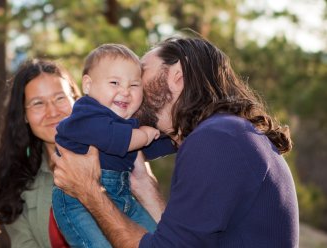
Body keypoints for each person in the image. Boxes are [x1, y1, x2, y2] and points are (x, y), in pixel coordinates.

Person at [52, 36, 299, 248]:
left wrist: (89, 191)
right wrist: (145, 186)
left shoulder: (217, 139)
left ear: (177, 76)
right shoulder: (227, 134)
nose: (131, 84)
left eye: (141, 71)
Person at [52, 43, 176, 248]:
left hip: (122, 196)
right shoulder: (85, 113)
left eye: (134, 85)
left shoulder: (127, 124)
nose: (125, 92)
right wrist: (144, 135)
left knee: (156, 240)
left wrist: (177, 138)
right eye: (115, 83)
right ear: (88, 85)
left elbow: (145, 148)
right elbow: (116, 139)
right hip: (77, 203)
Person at [0, 59, 81, 248]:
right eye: (38, 103)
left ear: (75, 99)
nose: (52, 112)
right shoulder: (17, 184)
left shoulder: (113, 158)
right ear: (24, 116)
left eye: (60, 98)